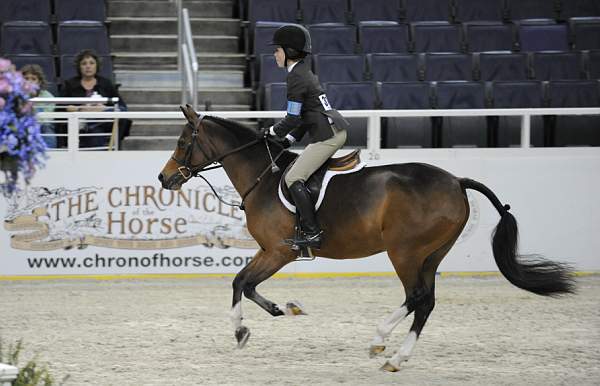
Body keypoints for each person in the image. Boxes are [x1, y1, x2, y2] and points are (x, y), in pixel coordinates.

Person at [266, 24, 349, 249]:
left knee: (293, 178)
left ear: (289, 51)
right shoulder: (303, 73)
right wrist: (290, 140)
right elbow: (305, 115)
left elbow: (292, 118)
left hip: (327, 136)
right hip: (331, 130)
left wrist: (272, 132)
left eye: (278, 50)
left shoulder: (296, 78)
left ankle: (313, 234)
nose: (275, 54)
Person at [60, 49, 130, 148]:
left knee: (122, 113)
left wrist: (103, 109)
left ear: (96, 66)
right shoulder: (69, 84)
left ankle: (92, 125)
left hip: (103, 120)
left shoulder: (106, 83)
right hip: (79, 121)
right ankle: (91, 125)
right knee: (96, 132)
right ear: (79, 67)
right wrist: (81, 109)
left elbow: (121, 105)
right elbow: (62, 106)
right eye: (84, 63)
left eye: (91, 63)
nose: (88, 66)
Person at [21, 64, 57, 148]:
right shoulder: (17, 95)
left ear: (39, 82)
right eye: (26, 78)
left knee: (47, 129)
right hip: (23, 125)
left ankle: (49, 153)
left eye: (33, 79)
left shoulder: (48, 97)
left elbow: (47, 119)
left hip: (42, 126)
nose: (29, 81)